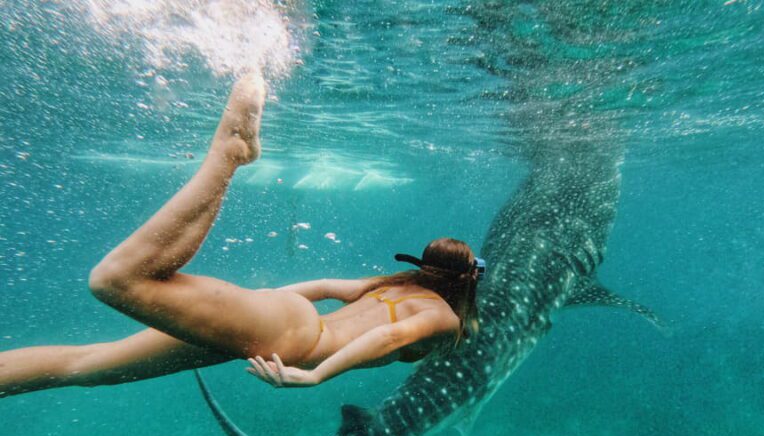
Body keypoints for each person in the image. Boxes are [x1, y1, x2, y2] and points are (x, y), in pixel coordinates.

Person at [0, 74, 483, 398]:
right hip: (283, 336)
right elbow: (392, 335)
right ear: (468, 282)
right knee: (114, 281)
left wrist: (264, 302)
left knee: (93, 368)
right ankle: (228, 156)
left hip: (277, 324)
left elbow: (323, 289)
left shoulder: (394, 285)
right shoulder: (445, 320)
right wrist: (313, 375)